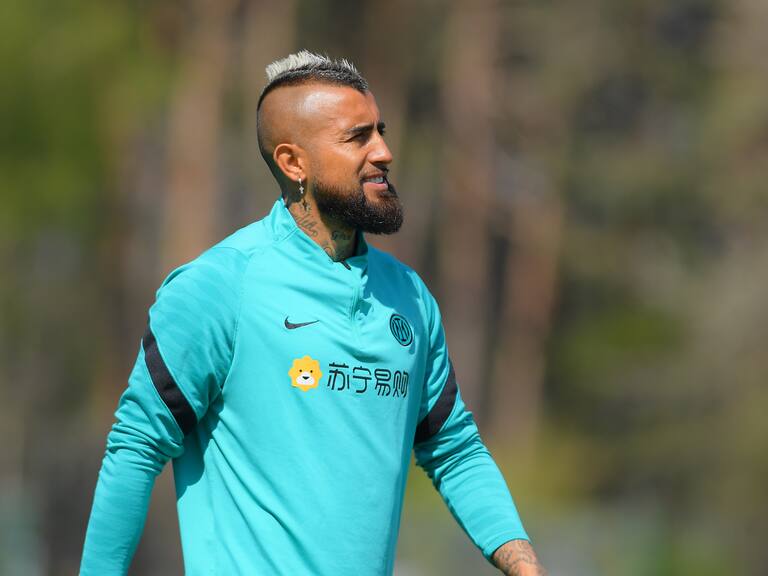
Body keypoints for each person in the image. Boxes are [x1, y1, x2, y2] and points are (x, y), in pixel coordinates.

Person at [80, 51, 546, 576]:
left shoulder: (410, 297)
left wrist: (525, 565)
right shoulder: (219, 286)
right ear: (293, 163)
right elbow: (136, 448)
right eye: (357, 137)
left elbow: (454, 449)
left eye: (380, 131)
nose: (384, 152)